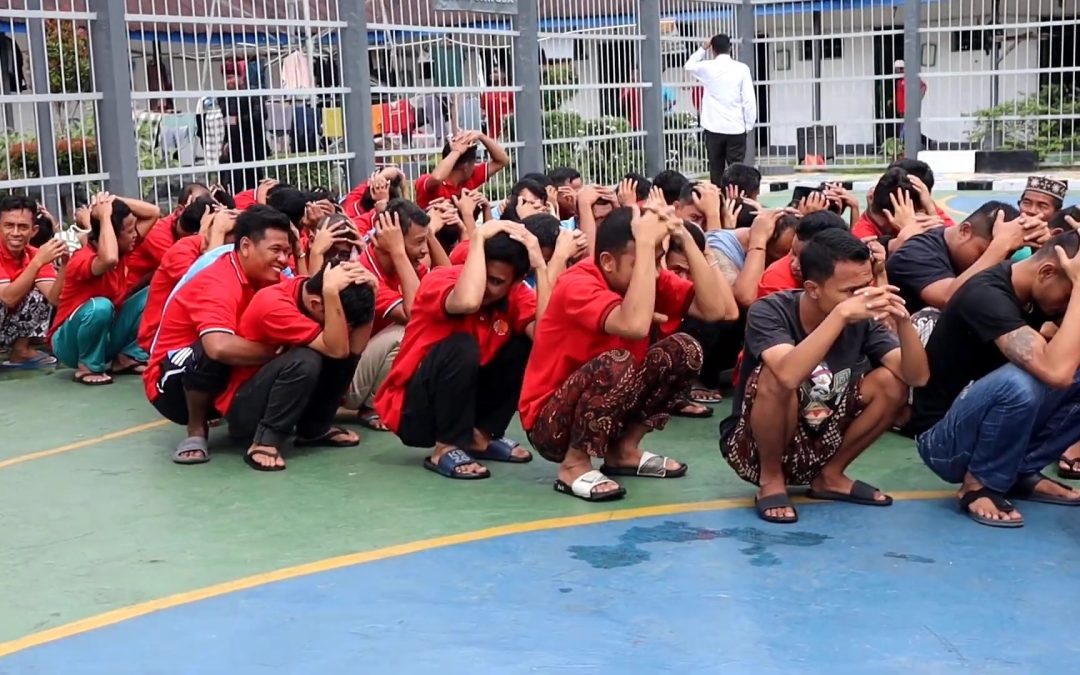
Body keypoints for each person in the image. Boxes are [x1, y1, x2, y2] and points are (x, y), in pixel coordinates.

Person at [520, 205, 736, 501]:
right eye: (645, 260)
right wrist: (646, 245)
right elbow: (632, 326)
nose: (656, 269)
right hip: (552, 423)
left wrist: (685, 238)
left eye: (657, 259)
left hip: (610, 407)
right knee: (617, 362)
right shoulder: (578, 283)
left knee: (685, 349)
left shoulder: (648, 276)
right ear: (608, 262)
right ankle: (573, 465)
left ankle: (623, 452)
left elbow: (715, 310)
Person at [721, 229, 929, 524]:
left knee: (891, 382)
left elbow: (917, 378)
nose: (861, 297)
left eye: (865, 286)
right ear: (813, 288)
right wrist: (841, 315)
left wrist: (904, 323)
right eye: (848, 291)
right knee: (775, 377)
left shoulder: (862, 319)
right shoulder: (770, 311)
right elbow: (789, 375)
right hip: (753, 445)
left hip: (822, 435)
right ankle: (771, 481)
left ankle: (830, 475)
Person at [910, 231, 1080, 527]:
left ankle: (1019, 471)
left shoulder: (1042, 293)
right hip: (943, 442)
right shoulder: (986, 295)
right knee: (1021, 380)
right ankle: (979, 485)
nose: (1068, 306)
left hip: (996, 426)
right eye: (1069, 294)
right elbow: (1056, 373)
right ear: (1047, 272)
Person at [374, 221, 545, 479]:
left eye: (497, 281)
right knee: (462, 345)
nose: (485, 285)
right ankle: (446, 447)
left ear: (516, 281)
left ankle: (480, 436)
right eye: (483, 274)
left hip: (465, 404)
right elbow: (467, 300)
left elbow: (546, 341)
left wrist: (541, 267)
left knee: (524, 345)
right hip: (413, 410)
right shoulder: (440, 280)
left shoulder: (517, 294)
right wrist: (479, 236)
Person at [143, 205, 293, 464]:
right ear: (245, 246)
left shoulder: (270, 278)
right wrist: (278, 353)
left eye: (288, 252)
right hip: (172, 385)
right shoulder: (216, 278)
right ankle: (196, 430)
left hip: (226, 370)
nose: (284, 260)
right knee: (212, 348)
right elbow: (218, 348)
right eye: (276, 251)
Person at [222, 262, 377, 471]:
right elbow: (338, 350)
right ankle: (265, 441)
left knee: (336, 351)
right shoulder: (274, 304)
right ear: (315, 304)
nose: (346, 327)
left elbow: (353, 350)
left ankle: (315, 429)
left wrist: (372, 293)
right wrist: (331, 292)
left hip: (285, 398)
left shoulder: (314, 297)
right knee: (306, 358)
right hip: (244, 407)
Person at [345, 200, 440, 431]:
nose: (425, 251)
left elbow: (448, 278)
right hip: (346, 382)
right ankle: (372, 405)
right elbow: (418, 314)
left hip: (369, 363)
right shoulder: (364, 272)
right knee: (407, 332)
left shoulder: (407, 266)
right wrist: (397, 250)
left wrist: (427, 238)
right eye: (419, 242)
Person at [49, 193, 148, 385]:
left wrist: (110, 200)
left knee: (155, 293)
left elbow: (152, 213)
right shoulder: (83, 258)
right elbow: (108, 258)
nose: (135, 234)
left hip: (106, 336)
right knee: (101, 306)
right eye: (129, 231)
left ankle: (128, 356)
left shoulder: (123, 249)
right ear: (111, 233)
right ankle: (88, 365)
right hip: (69, 344)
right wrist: (103, 217)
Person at [885, 201, 1038, 313]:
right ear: (965, 231)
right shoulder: (915, 252)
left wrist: (1043, 248)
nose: (993, 262)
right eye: (984, 252)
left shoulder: (992, 253)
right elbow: (949, 299)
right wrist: (998, 247)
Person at [137, 203, 239, 352]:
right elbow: (204, 286)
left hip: (195, 327)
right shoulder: (182, 248)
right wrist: (217, 232)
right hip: (163, 341)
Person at [0, 195, 65, 368]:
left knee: (39, 295)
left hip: (7, 325)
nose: (15, 233)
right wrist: (37, 263)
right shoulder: (38, 258)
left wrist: (66, 264)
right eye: (9, 226)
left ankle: (20, 351)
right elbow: (7, 298)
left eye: (22, 227)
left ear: (33, 231)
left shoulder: (36, 253)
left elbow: (54, 299)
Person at [684, 34, 757, 185]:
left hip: (713, 127)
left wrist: (702, 48)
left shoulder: (707, 67)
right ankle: (737, 202)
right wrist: (748, 125)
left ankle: (716, 203)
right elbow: (749, 100)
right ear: (730, 48)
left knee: (716, 170)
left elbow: (689, 65)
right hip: (736, 128)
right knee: (737, 171)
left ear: (712, 50)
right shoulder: (742, 69)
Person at [126, 183, 208, 287]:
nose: (199, 210)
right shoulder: (158, 232)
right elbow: (189, 275)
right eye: (196, 206)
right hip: (135, 293)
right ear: (180, 210)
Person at [757, 211, 848, 298]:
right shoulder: (777, 280)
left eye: (803, 259)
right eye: (793, 252)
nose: (794, 265)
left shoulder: (853, 268)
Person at [415, 130, 509, 210]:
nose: (475, 166)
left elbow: (502, 161)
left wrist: (481, 136)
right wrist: (456, 151)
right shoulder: (426, 181)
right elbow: (436, 178)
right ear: (466, 167)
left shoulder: (470, 177)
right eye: (474, 163)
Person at [220, 59, 268, 193]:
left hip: (252, 143)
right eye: (226, 78)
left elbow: (261, 115)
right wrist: (226, 142)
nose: (228, 81)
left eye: (231, 77)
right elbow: (227, 122)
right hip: (234, 145)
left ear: (241, 77)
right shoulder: (225, 97)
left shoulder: (252, 93)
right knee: (234, 184)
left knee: (253, 183)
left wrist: (239, 120)